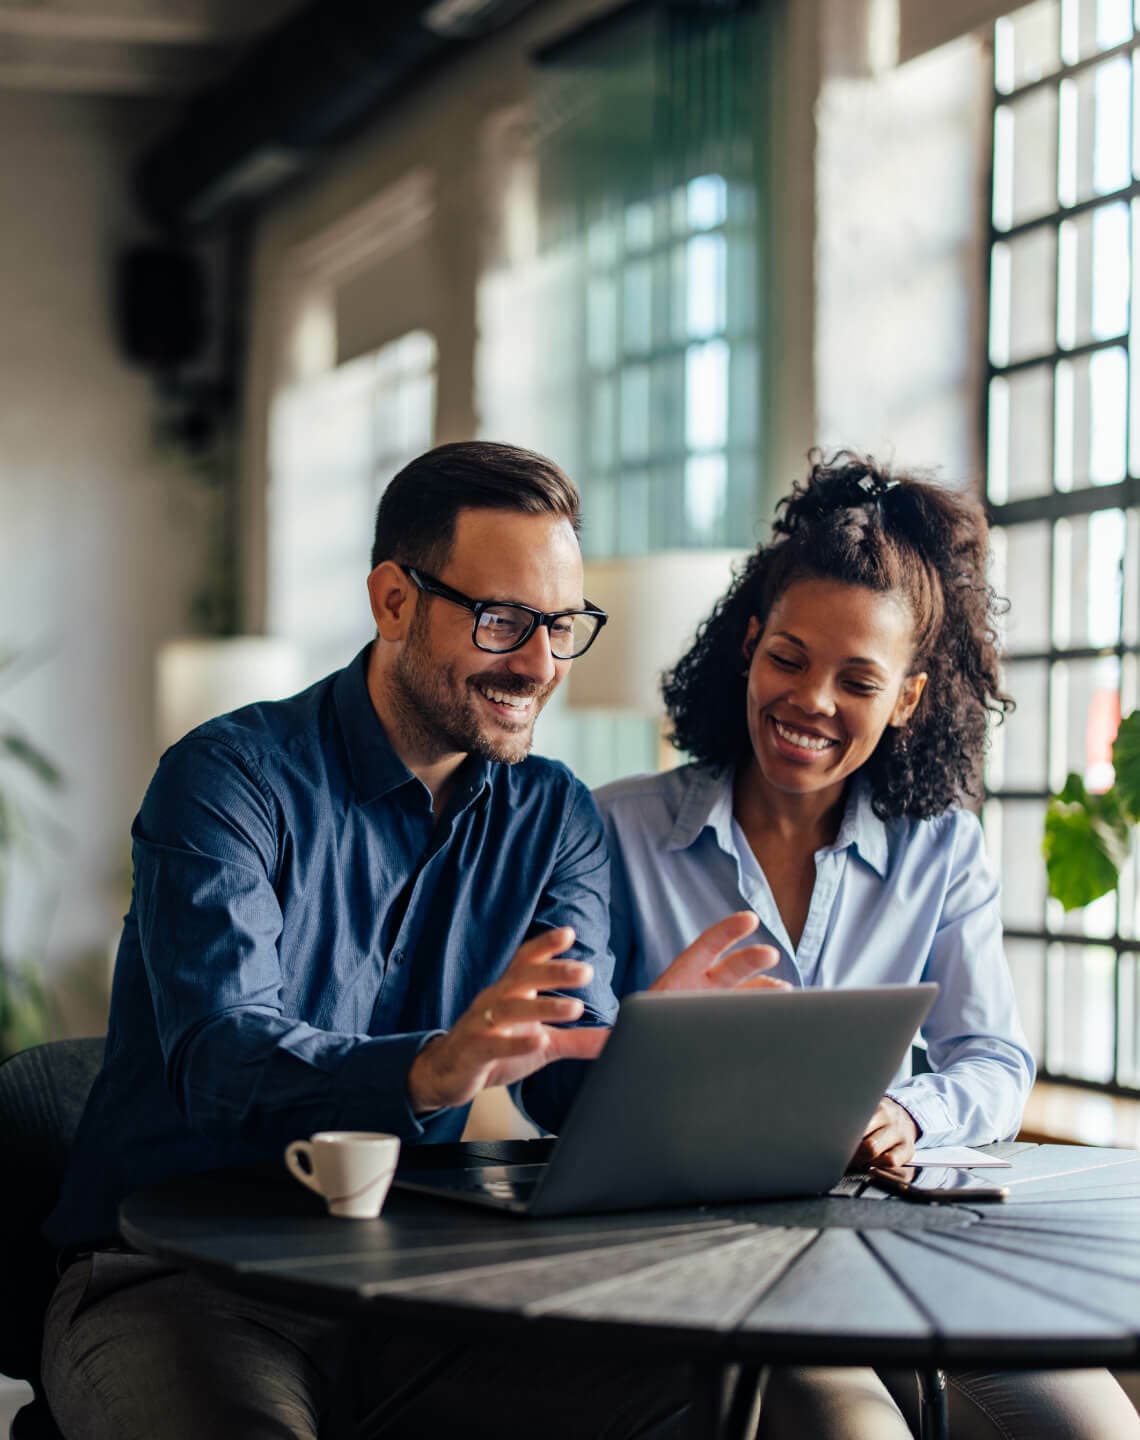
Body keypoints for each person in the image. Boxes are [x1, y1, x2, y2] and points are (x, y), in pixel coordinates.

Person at [40, 440, 784, 1440]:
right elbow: (219, 1058)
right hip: (170, 1277)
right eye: (503, 620)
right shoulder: (229, 781)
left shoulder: (553, 815)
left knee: (738, 1400)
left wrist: (650, 1052)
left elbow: (561, 1074)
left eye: (563, 626)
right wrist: (431, 1072)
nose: (539, 665)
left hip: (412, 1280)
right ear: (394, 601)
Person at [595, 451, 1140, 1440]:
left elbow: (994, 1059)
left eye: (859, 680)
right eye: (790, 659)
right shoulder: (618, 831)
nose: (811, 702)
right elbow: (559, 1080)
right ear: (749, 648)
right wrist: (644, 1038)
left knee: (1100, 1427)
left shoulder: (943, 850)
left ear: (907, 700)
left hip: (896, 1232)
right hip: (702, 1250)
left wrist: (905, 1111)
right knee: (856, 1431)